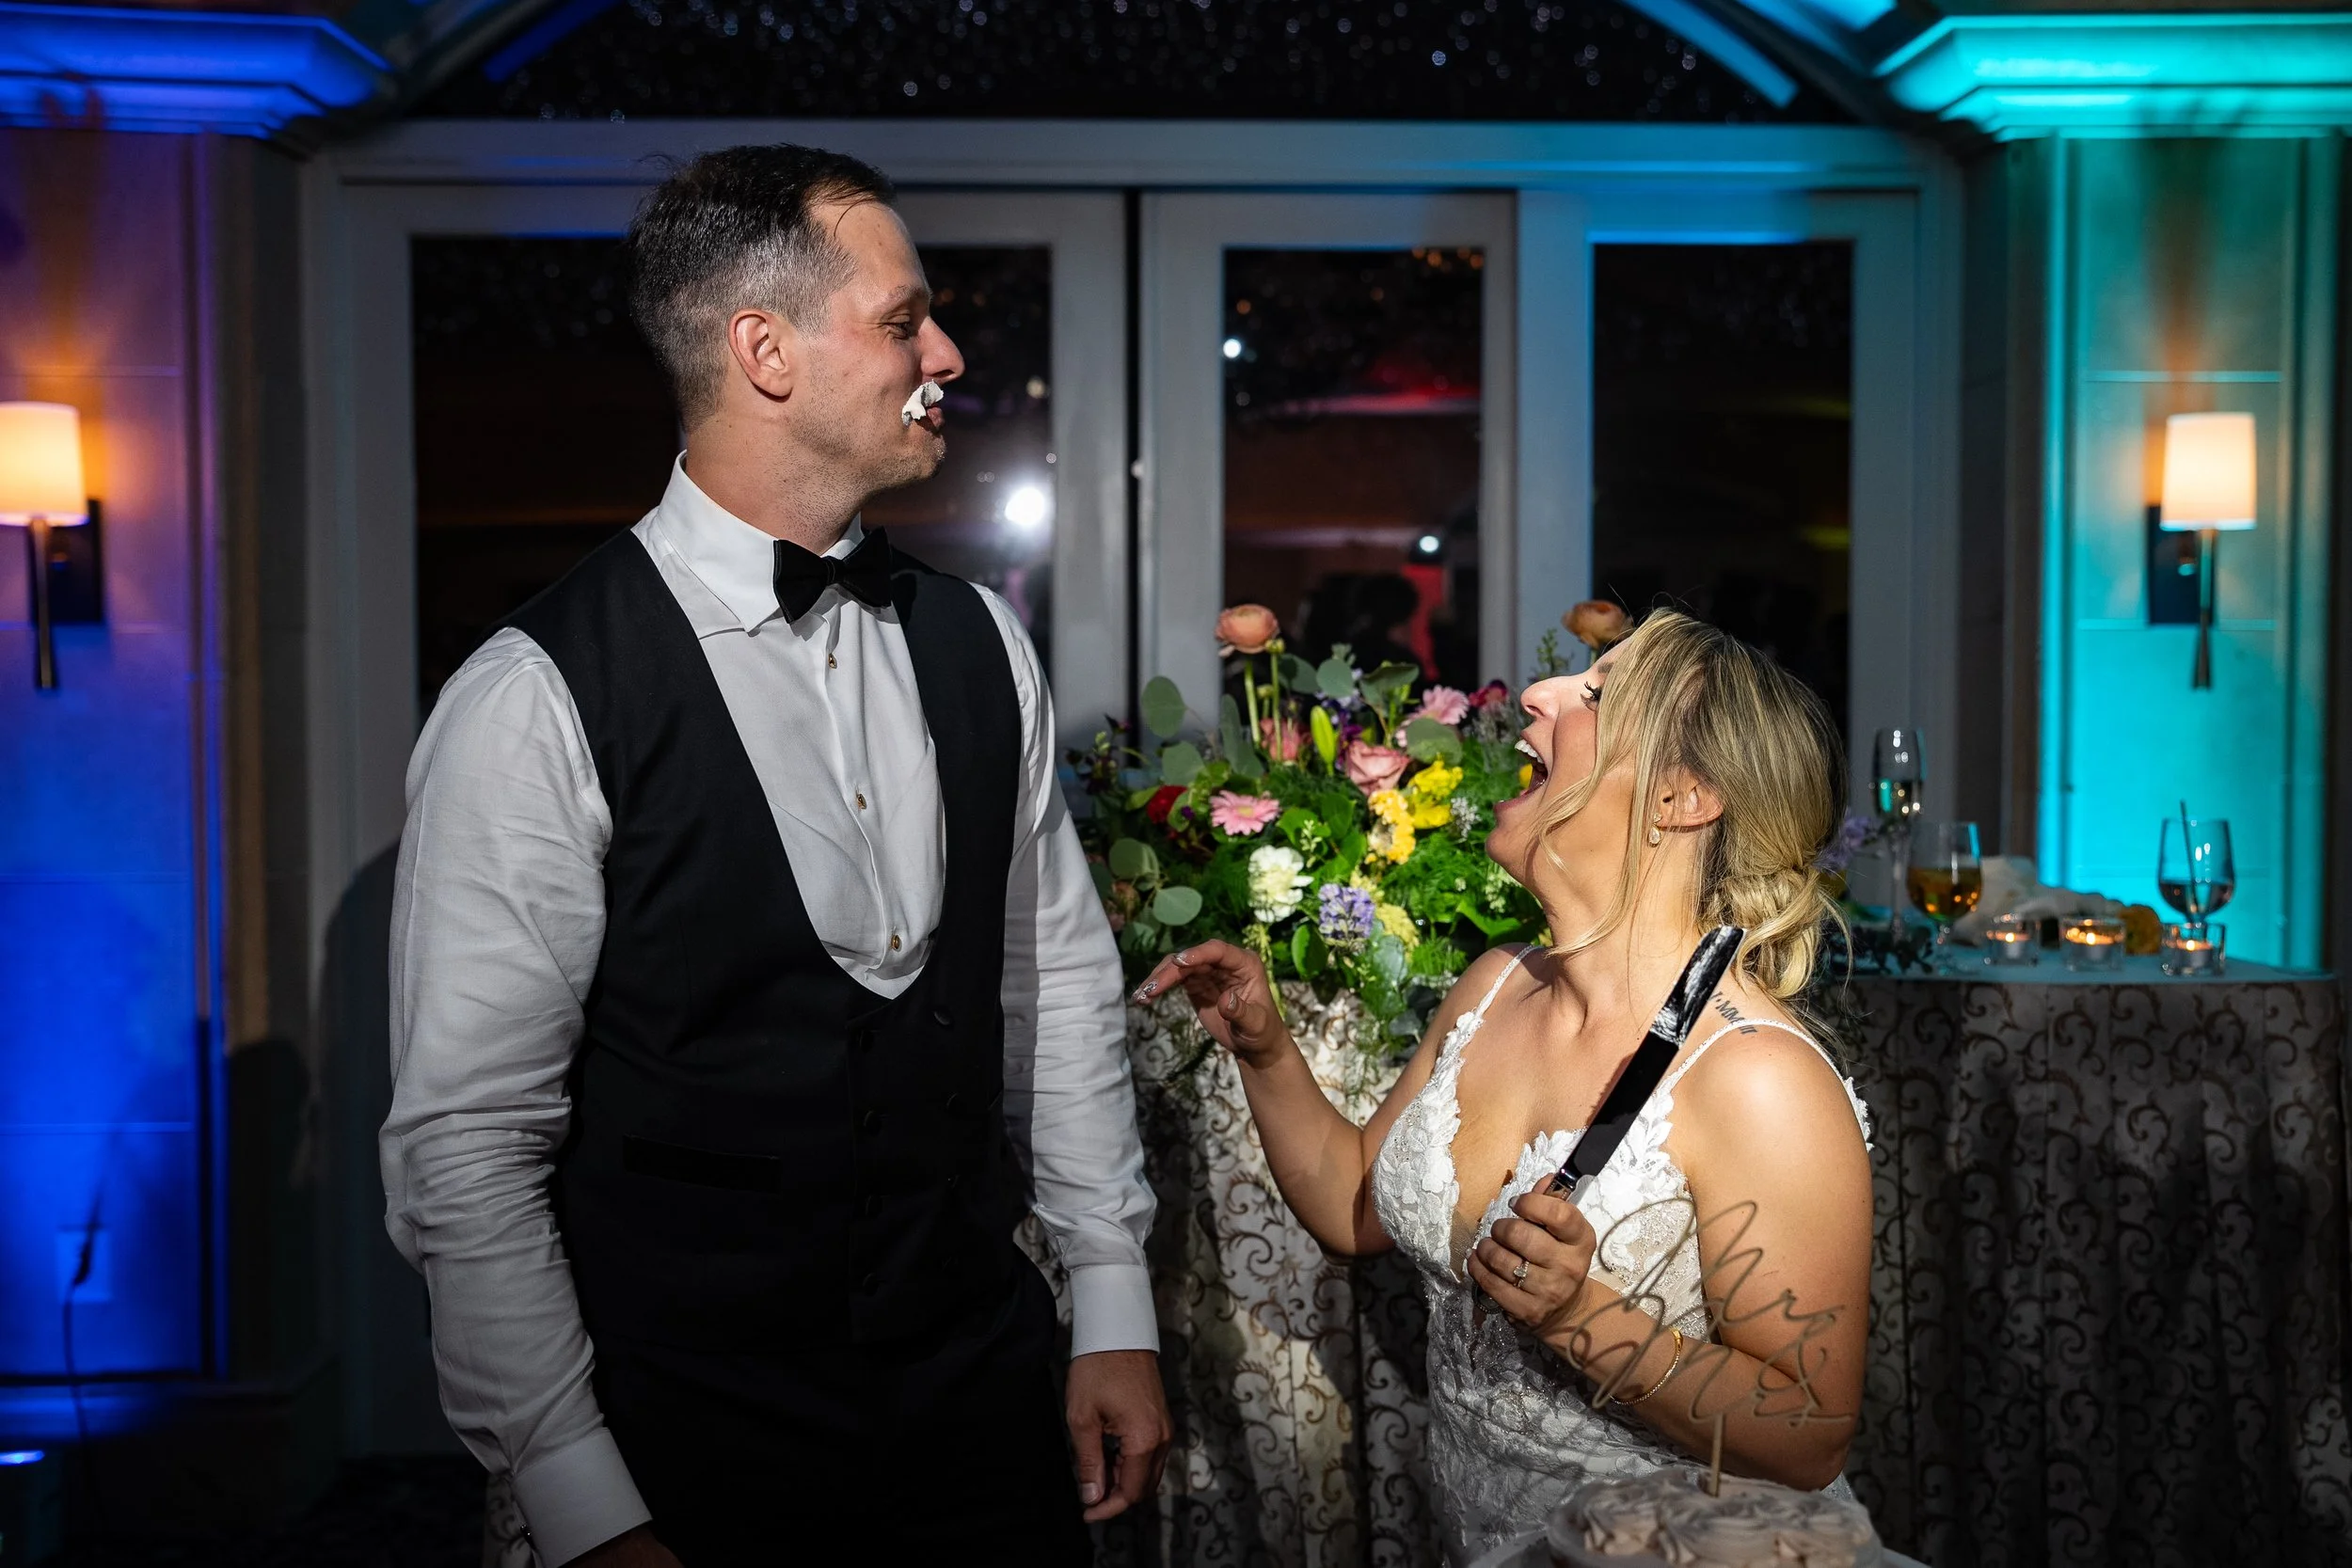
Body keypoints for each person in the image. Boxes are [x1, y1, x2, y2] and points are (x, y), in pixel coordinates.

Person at [384, 145, 1170, 1567]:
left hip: (977, 1407)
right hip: (682, 1440)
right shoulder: (535, 695)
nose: (944, 350)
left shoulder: (977, 637)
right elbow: (469, 1151)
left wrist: (1111, 1303)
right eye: (901, 317)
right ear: (765, 350)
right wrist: (575, 1495)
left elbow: (1050, 981)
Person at [1133, 610, 1872, 1564]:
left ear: (1680, 796)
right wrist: (1267, 1050)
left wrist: (1581, 1315)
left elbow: (1807, 1431)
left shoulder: (1757, 1077)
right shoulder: (1496, 986)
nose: (1537, 694)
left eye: (1596, 694)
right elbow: (1352, 1203)